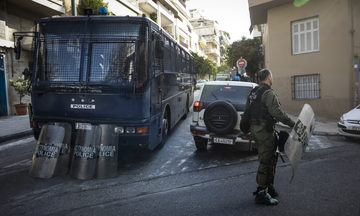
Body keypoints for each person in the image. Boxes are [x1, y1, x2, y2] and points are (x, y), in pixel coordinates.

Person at [243, 69, 295, 205]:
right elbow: (276, 112)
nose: (273, 78)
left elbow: (247, 111)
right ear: (268, 77)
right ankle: (261, 193)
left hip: (256, 130)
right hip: (264, 131)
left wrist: (245, 128)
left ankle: (268, 187)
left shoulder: (253, 92)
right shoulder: (268, 93)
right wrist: (292, 123)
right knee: (266, 160)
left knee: (272, 157)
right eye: (271, 76)